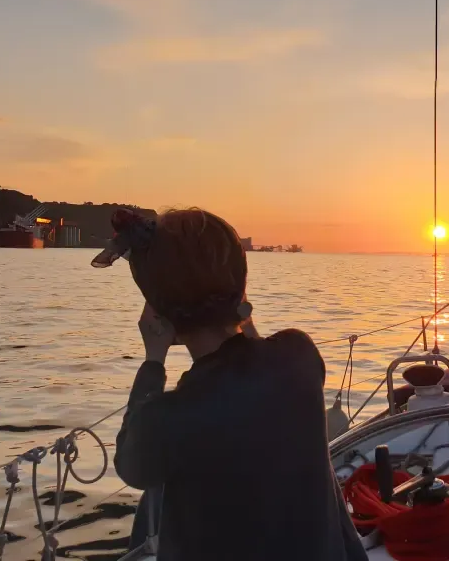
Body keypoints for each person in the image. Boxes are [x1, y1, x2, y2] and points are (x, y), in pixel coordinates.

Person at [92, 208, 368, 561]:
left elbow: (132, 466)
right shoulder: (300, 357)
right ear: (241, 284)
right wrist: (241, 315)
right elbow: (256, 365)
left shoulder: (168, 421)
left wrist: (153, 361)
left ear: (157, 310)